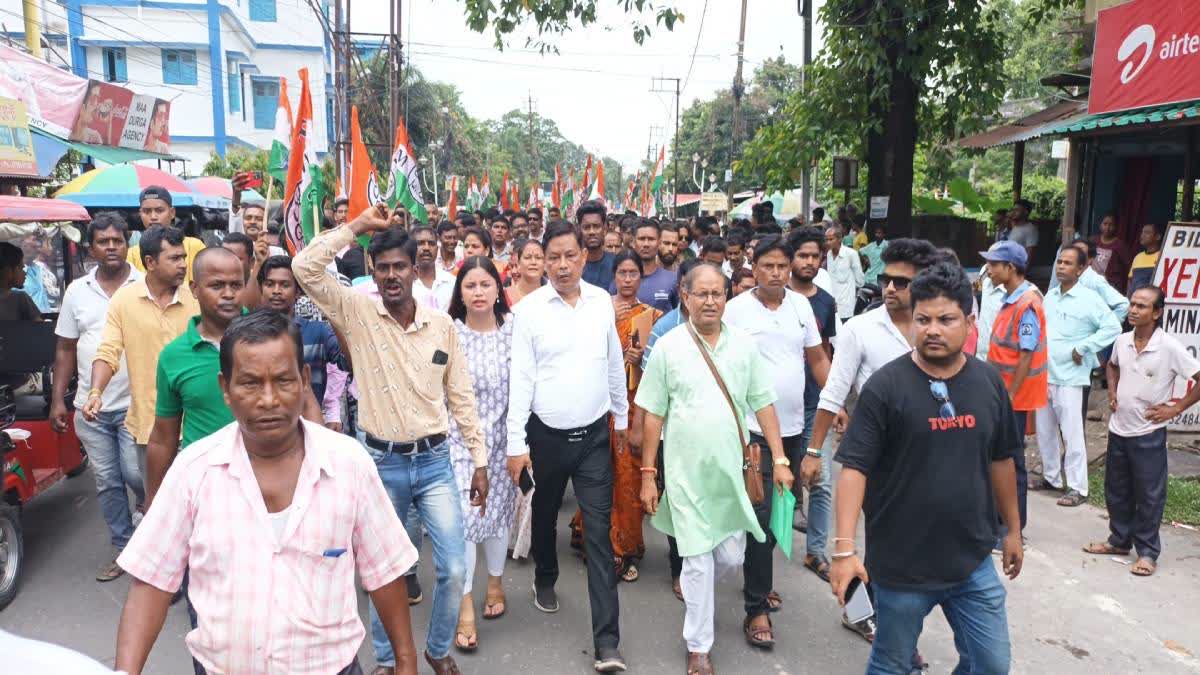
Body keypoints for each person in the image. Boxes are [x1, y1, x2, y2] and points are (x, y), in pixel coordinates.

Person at [113, 310, 421, 675]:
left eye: (283, 380)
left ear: (305, 380)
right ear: (225, 389)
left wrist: (405, 660)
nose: (269, 399)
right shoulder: (193, 471)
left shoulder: (349, 463)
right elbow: (151, 582)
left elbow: (384, 570)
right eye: (250, 383)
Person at [293, 205, 489, 675]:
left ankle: (437, 649)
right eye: (381, 268)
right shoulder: (357, 310)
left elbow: (460, 397)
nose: (391, 275)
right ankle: (385, 658)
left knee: (455, 568)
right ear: (373, 273)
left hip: (437, 461)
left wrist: (479, 460)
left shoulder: (441, 325)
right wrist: (357, 227)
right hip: (381, 465)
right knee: (385, 573)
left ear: (416, 268)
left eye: (399, 266)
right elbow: (304, 267)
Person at [830, 262, 1023, 675]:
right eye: (923, 319)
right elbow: (854, 469)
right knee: (892, 664)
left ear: (970, 322)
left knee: (991, 664)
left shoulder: (988, 383)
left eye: (946, 319)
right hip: (901, 568)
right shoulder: (886, 387)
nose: (933, 329)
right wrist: (844, 550)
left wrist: (1014, 531)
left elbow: (1002, 459)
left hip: (971, 561)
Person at [636, 262, 794, 675]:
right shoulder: (669, 347)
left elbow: (763, 404)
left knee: (730, 554)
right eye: (701, 294)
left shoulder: (743, 346)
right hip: (686, 475)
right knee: (699, 561)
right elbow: (652, 415)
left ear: (726, 297)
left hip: (732, 475)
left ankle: (697, 596)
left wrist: (779, 459)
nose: (710, 301)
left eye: (718, 293)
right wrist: (648, 475)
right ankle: (699, 645)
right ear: (685, 297)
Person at [505, 221, 629, 672]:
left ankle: (608, 644)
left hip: (595, 435)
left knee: (599, 534)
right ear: (543, 259)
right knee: (545, 511)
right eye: (552, 257)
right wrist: (515, 443)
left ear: (583, 257)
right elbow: (522, 380)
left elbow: (613, 361)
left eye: (569, 256)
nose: (561, 265)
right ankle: (545, 576)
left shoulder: (601, 302)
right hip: (547, 436)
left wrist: (623, 419)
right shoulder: (530, 311)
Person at [802, 238, 939, 642]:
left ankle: (893, 611)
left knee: (913, 540)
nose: (890, 288)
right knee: (878, 540)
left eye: (901, 281)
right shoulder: (861, 328)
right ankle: (860, 611)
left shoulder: (936, 326)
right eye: (885, 279)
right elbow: (833, 391)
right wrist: (814, 450)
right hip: (876, 457)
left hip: (930, 453)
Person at [723, 236, 830, 649]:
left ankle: (758, 575)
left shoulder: (800, 306)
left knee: (785, 505)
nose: (776, 273)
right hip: (752, 430)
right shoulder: (736, 310)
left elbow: (817, 358)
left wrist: (834, 400)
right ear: (754, 265)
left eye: (782, 266)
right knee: (762, 511)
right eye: (767, 266)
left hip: (794, 425)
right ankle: (756, 608)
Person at [1083, 285, 1200, 577]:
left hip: (1148, 432)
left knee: (1149, 494)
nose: (1134, 310)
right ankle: (1119, 541)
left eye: (1142, 306)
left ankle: (1147, 552)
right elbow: (1111, 366)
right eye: (1132, 304)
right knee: (1116, 489)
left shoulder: (1169, 347)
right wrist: (1112, 392)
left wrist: (1175, 408)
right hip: (1119, 429)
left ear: (1157, 313)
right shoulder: (1122, 341)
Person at [50, 212, 142, 582]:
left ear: (127, 243)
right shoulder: (76, 291)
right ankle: (124, 550)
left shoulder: (143, 285)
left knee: (138, 475)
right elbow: (65, 349)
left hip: (137, 405)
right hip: (91, 409)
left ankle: (149, 533)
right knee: (107, 482)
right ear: (92, 249)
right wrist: (58, 398)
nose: (111, 248)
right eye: (103, 242)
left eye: (117, 241)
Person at [570, 250, 662, 584]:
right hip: (599, 404)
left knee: (628, 477)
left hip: (635, 406)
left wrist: (638, 360)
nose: (626, 279)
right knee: (598, 476)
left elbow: (660, 370)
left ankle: (624, 547)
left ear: (641, 278)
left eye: (632, 273)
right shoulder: (597, 311)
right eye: (621, 273)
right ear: (614, 277)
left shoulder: (653, 316)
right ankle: (597, 541)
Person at [444, 256, 519, 652]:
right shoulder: (448, 333)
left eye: (485, 284)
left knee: (497, 516)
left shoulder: (514, 331)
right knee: (467, 520)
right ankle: (465, 603)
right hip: (459, 443)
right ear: (460, 292)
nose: (477, 292)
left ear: (497, 289)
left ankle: (495, 580)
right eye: (469, 286)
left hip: (505, 441)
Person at [86, 225, 197, 484]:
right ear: (150, 262)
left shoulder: (196, 299)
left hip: (195, 424)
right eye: (174, 258)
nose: (182, 264)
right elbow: (108, 351)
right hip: (151, 427)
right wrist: (95, 393)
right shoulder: (124, 301)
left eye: (183, 257)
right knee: (157, 504)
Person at [142, 248, 248, 506]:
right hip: (205, 490)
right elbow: (163, 438)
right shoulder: (174, 356)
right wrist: (154, 501)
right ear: (194, 289)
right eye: (217, 285)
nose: (228, 294)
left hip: (268, 482)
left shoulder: (272, 340)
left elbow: (304, 403)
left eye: (236, 285)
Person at [1035, 246, 1121, 507]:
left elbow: (1113, 326)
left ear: (1081, 269)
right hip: (1045, 373)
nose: (1061, 267)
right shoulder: (1050, 296)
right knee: (1044, 430)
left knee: (1071, 434)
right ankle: (1051, 477)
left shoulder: (1089, 299)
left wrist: (1084, 348)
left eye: (1068, 263)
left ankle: (1077, 487)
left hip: (1071, 377)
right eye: (1059, 262)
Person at [782, 226, 840, 563]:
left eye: (815, 256)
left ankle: (816, 551)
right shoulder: (776, 298)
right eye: (802, 255)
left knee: (821, 481)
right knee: (780, 480)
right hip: (775, 409)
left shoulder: (825, 302)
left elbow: (825, 353)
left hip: (814, 405)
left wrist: (834, 396)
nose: (809, 262)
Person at [982, 239, 1047, 533]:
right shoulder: (1012, 298)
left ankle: (1011, 528)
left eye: (994, 265)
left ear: (1010, 268)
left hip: (1014, 398)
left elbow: (1026, 353)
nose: (989, 270)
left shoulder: (1027, 304)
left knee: (1011, 461)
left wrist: (1009, 394)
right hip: (1003, 393)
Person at [257, 255, 348, 429]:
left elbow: (347, 362)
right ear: (261, 288)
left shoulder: (318, 332)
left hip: (309, 428)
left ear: (298, 292)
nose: (276, 290)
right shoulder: (249, 335)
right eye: (270, 284)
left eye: (284, 285)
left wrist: (334, 315)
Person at [126, 187, 207, 285]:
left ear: (172, 213)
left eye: (159, 211)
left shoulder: (194, 246)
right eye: (147, 211)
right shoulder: (132, 254)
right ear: (140, 214)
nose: (153, 217)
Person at [626, 219, 676, 313]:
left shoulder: (672, 279)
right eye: (641, 239)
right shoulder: (621, 279)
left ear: (659, 243)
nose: (646, 244)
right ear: (632, 242)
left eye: (651, 239)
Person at [409, 225, 456, 312]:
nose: (426, 248)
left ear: (437, 249)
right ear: (411, 249)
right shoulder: (406, 283)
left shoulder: (452, 282)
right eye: (420, 243)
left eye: (431, 243)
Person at [825, 224, 864, 321]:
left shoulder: (851, 254)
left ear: (839, 239)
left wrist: (852, 290)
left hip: (846, 302)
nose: (828, 242)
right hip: (832, 301)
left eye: (831, 239)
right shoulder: (829, 254)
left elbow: (860, 279)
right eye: (827, 239)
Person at [1091, 213, 1133, 294]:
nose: (1107, 227)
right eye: (1105, 224)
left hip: (1110, 286)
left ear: (1116, 227)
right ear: (1100, 225)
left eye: (1111, 225)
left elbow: (1128, 266)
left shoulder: (1120, 245)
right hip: (1092, 282)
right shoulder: (1093, 241)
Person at [581, 201, 617, 291]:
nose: (592, 232)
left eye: (596, 226)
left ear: (604, 229)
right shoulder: (572, 265)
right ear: (579, 229)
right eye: (586, 227)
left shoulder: (617, 264)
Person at [0, 242, 40, 320]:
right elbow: (40, 328)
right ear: (8, 271)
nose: (24, 273)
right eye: (21, 268)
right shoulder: (20, 298)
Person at [507, 238, 546, 305]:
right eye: (527, 257)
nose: (533, 262)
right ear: (518, 264)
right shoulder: (504, 296)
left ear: (545, 263)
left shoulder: (554, 296)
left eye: (538, 258)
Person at [1128, 223, 1162, 292]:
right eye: (1142, 232)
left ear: (1157, 237)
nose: (1142, 235)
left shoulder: (1162, 256)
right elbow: (1130, 281)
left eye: (1147, 232)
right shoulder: (1138, 257)